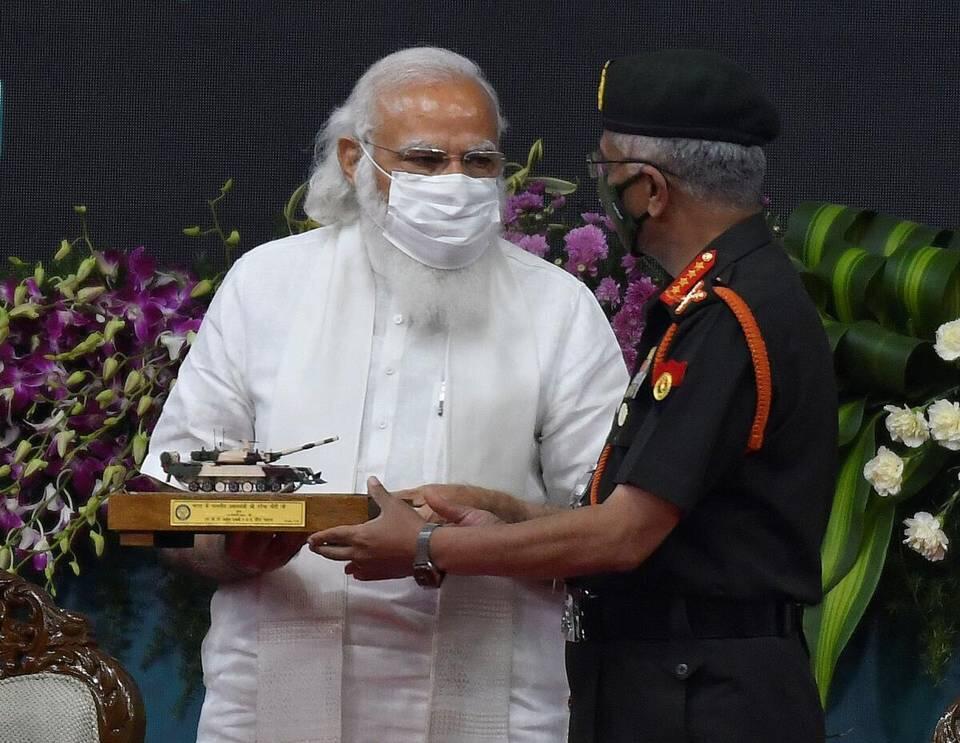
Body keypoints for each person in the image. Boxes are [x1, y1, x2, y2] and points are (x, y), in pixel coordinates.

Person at [310, 49, 838, 743]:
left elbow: (623, 535)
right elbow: (666, 520)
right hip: (679, 681)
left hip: (706, 697)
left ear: (650, 189)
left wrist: (428, 545)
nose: (604, 190)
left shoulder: (731, 315)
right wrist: (499, 513)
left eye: (607, 170)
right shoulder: (727, 298)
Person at [140, 46, 627, 743]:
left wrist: (491, 519)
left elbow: (607, 529)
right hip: (273, 695)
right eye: (425, 160)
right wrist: (236, 544)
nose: (454, 182)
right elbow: (168, 501)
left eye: (478, 161)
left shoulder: (558, 308)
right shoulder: (266, 287)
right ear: (353, 159)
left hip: (493, 699)